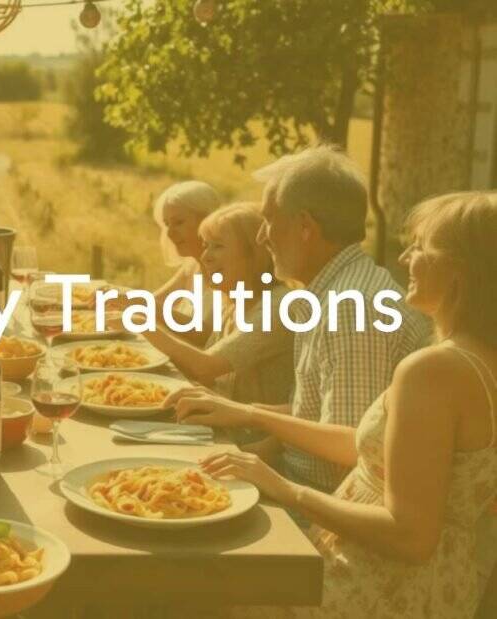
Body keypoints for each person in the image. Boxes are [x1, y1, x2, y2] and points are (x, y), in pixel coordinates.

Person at [175, 191, 497, 617]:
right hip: (441, 585)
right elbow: (382, 459)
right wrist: (252, 416)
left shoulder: (434, 370)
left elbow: (410, 536)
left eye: (420, 247)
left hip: (380, 589)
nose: (403, 258)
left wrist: (285, 488)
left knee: (195, 584)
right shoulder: (474, 359)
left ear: (460, 270)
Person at [170, 146, 429, 493]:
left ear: (305, 227)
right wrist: (251, 446)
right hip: (294, 475)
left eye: (269, 221)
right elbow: (313, 413)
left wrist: (251, 417)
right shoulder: (326, 294)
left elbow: (347, 454)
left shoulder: (351, 308)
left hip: (320, 500)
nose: (263, 236)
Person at [140, 203, 293, 408]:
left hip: (250, 436)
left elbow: (206, 367)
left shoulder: (277, 308)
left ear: (255, 254)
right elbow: (209, 379)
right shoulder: (233, 301)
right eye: (206, 245)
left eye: (218, 246)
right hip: (225, 425)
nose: (205, 257)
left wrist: (145, 326)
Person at [150, 180, 222, 337]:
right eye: (167, 224)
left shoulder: (230, 269)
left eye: (179, 222)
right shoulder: (191, 267)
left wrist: (139, 305)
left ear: (207, 221)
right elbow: (155, 300)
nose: (169, 233)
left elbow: (210, 337)